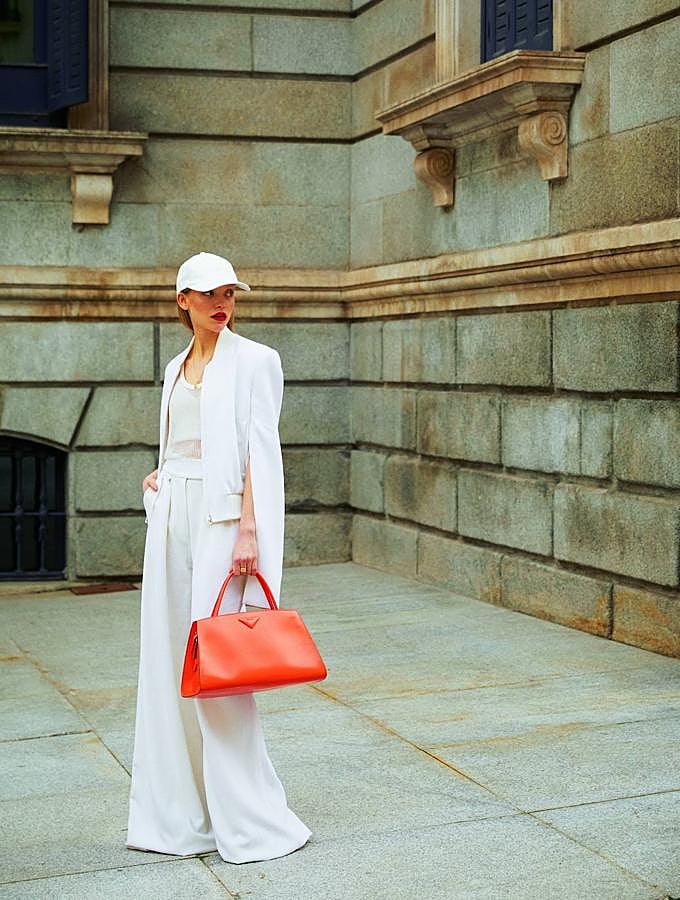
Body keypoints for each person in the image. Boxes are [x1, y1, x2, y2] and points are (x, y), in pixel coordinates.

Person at [126, 252, 312, 864]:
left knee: (219, 671)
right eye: (208, 294)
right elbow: (182, 440)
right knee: (167, 660)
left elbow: (262, 454)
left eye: (229, 293)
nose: (221, 303)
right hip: (174, 517)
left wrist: (250, 533)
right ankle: (183, 816)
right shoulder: (176, 367)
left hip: (227, 524)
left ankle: (250, 820)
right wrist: (164, 475)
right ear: (183, 301)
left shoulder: (257, 361)